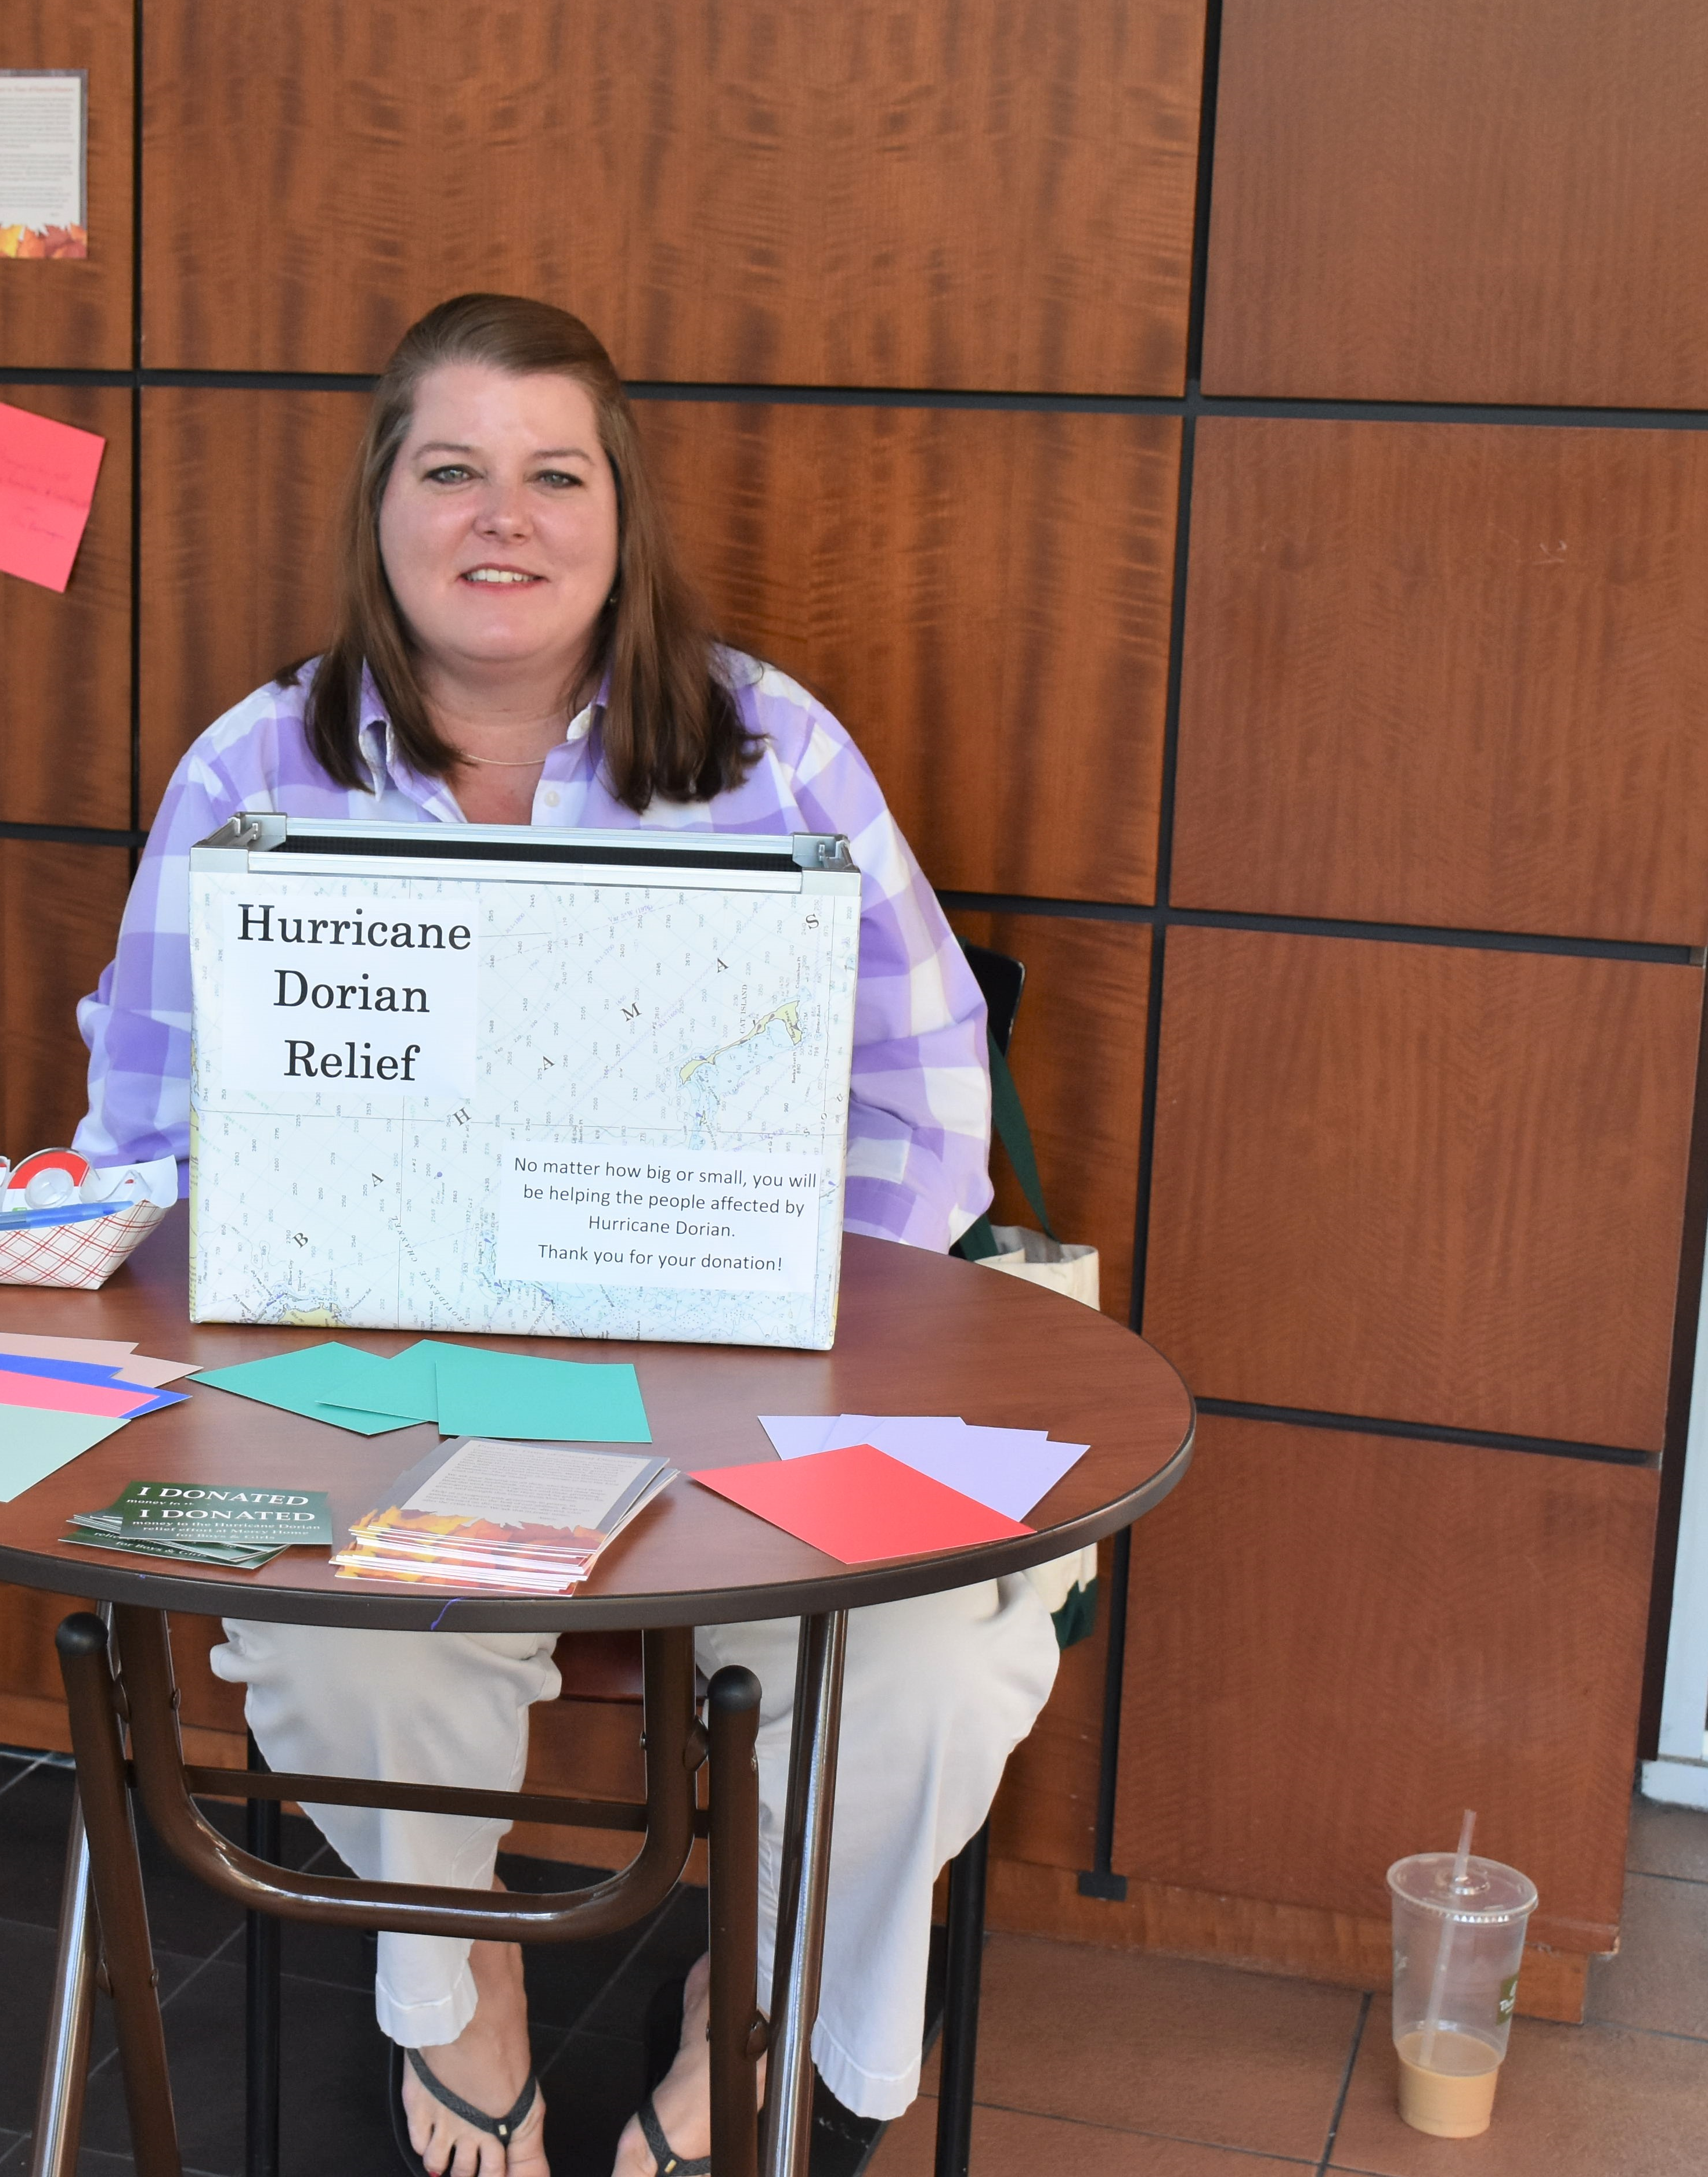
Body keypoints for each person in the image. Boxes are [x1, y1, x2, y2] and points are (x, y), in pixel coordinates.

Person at [73, 293, 1074, 2177]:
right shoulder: (253, 770)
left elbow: (930, 1097)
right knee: (349, 1641)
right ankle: (466, 1988)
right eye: (452, 469)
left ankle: (752, 1998)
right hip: (375, 1381)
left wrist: (760, 1307)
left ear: (624, 519)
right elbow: (141, 1131)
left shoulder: (769, 746)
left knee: (928, 1661)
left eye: (554, 475)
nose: (502, 518)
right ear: (383, 507)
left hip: (747, 1374)